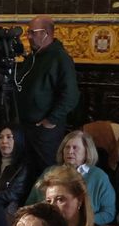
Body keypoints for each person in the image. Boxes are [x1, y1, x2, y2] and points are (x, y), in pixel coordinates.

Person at [16, 17, 81, 176]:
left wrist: (51, 120)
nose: (28, 36)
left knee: (46, 173)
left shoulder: (60, 58)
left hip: (45, 131)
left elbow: (71, 95)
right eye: (28, 32)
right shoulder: (33, 58)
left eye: (33, 32)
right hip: (26, 128)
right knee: (26, 172)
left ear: (46, 33)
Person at [28, 129, 117, 225]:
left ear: (86, 152)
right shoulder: (49, 172)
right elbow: (30, 204)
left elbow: (109, 213)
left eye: (75, 148)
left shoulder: (99, 176)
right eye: (67, 147)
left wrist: (83, 223)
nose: (70, 151)